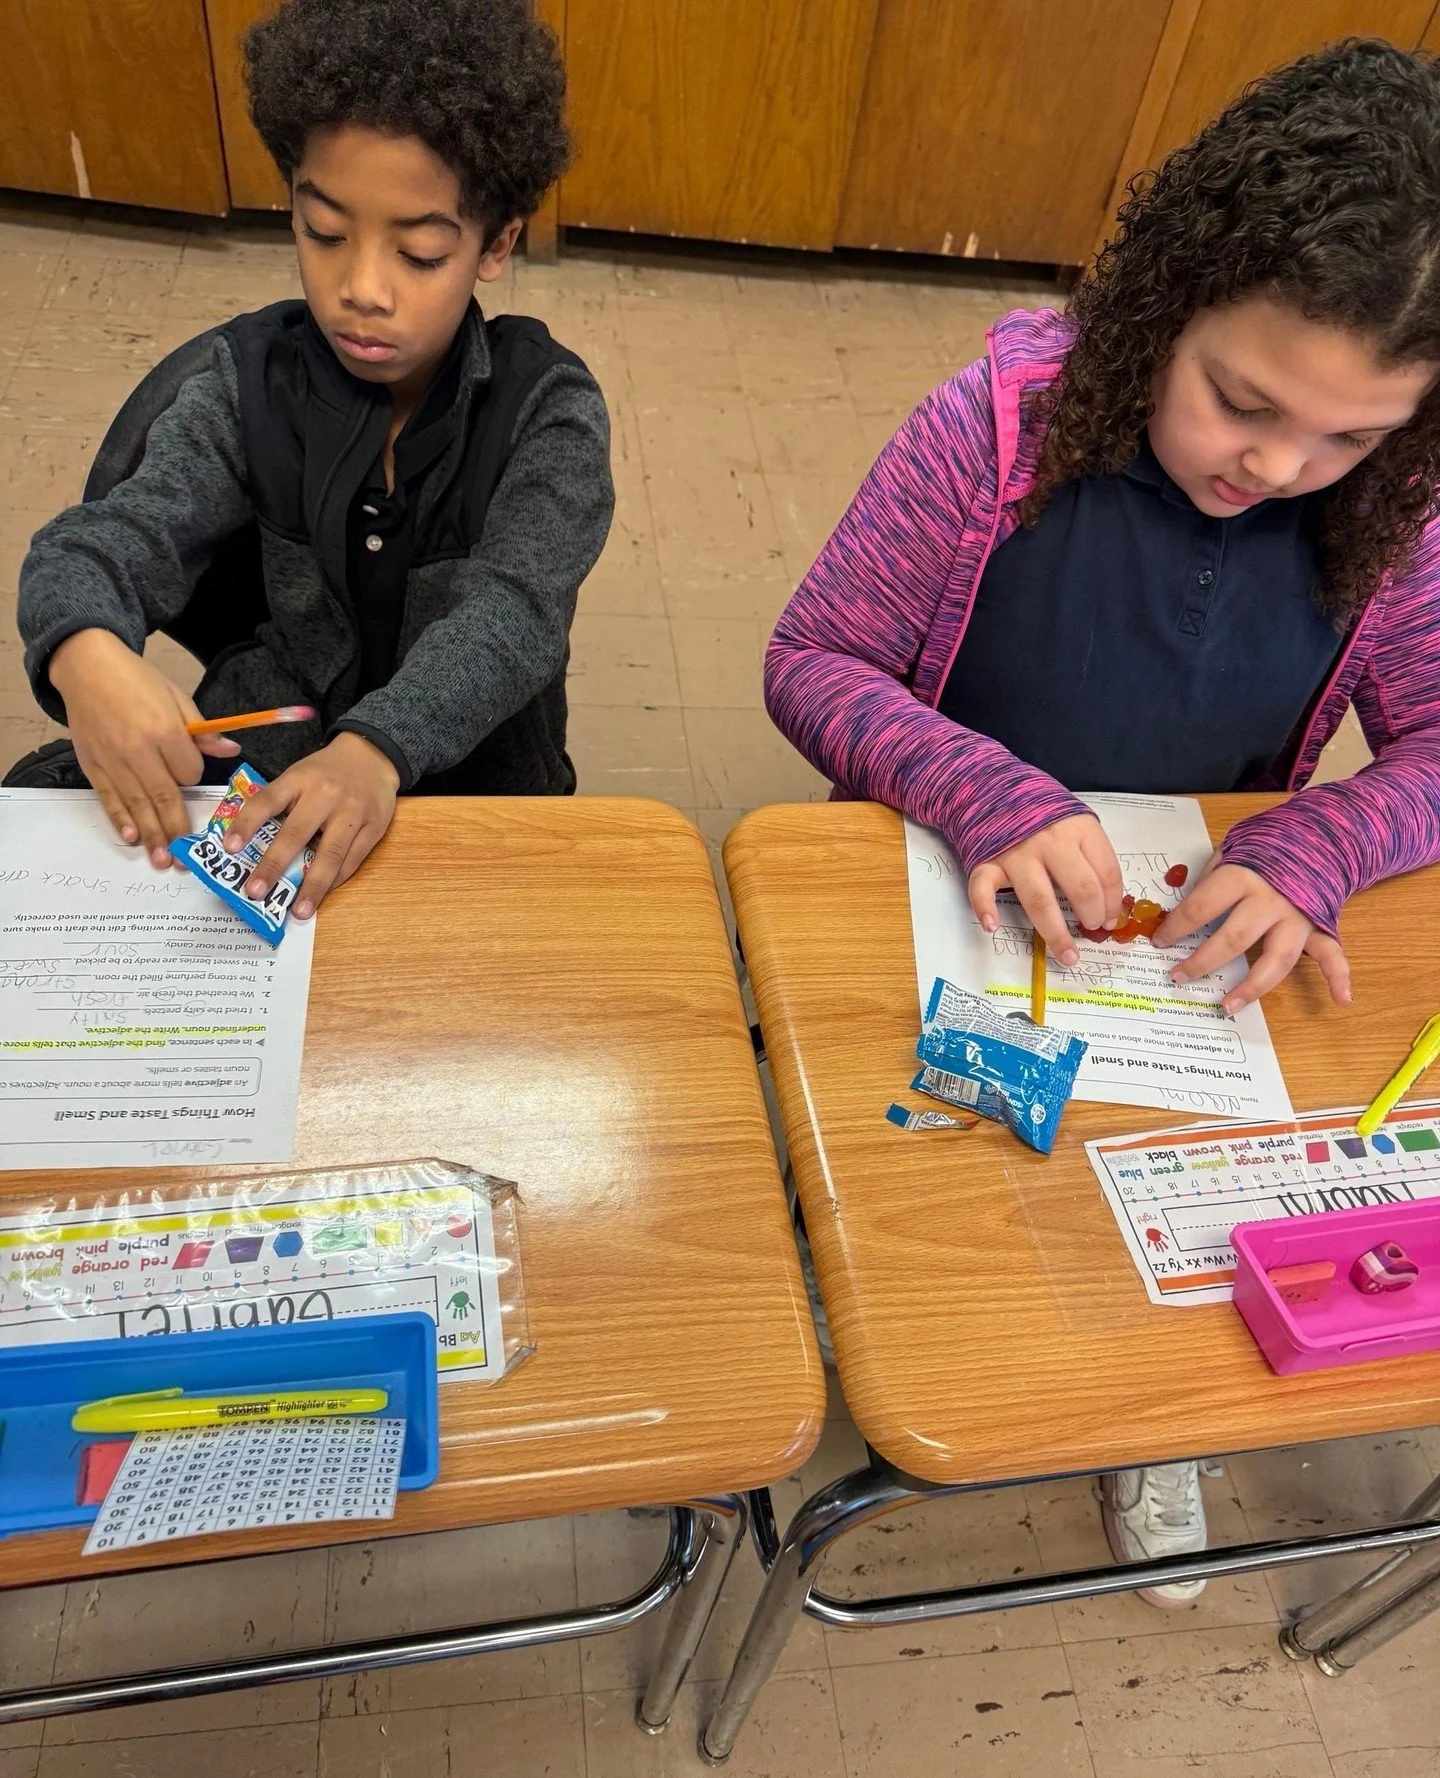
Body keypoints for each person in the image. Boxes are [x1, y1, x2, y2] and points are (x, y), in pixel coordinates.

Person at [764, 39, 1440, 1604]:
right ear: (1166, 302)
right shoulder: (994, 432)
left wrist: (1320, 841)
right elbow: (810, 658)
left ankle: (1149, 1412)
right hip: (941, 881)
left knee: (1163, 1190)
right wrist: (973, 782)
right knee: (926, 1174)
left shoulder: (1393, 507)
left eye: (1347, 438)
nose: (1279, 465)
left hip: (1180, 939)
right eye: (1242, 401)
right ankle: (865, 1299)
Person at [12, 0, 613, 920]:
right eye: (323, 233)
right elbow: (94, 546)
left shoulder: (548, 413)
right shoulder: (244, 386)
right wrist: (84, 652)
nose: (359, 290)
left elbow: (513, 617)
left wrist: (378, 747)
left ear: (496, 243)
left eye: (418, 253)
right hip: (273, 785)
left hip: (478, 798)